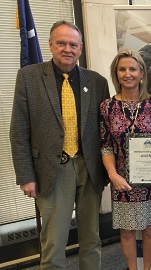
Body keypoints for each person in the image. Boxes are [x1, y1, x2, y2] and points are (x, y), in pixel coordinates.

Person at [9, 20, 110, 269]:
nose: (67, 49)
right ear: (51, 45)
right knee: (54, 241)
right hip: (51, 170)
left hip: (90, 167)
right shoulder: (29, 77)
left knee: (91, 238)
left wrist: (110, 171)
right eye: (62, 43)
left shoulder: (97, 82)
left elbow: (106, 130)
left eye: (73, 44)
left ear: (81, 48)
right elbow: (19, 131)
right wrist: (26, 176)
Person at [100, 49, 151, 270]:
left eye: (133, 69)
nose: (127, 74)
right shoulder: (107, 107)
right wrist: (113, 176)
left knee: (149, 229)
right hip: (121, 181)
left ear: (142, 73)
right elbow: (105, 145)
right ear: (116, 73)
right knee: (126, 231)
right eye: (122, 69)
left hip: (150, 181)